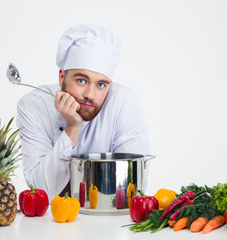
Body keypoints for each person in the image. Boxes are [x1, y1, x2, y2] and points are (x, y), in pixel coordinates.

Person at [16, 24, 151, 201]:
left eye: (101, 85)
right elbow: (42, 193)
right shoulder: (33, 106)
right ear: (62, 77)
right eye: (81, 80)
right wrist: (72, 129)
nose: (90, 95)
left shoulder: (124, 103)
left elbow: (131, 189)